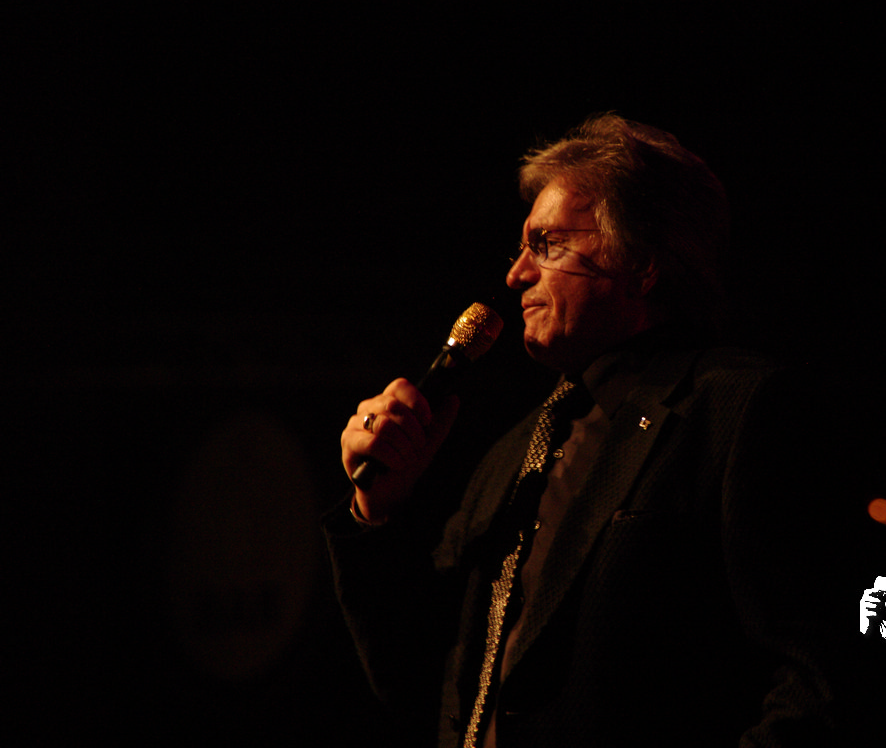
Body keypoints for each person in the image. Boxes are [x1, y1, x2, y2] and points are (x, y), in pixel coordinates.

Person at [325, 114, 842, 747]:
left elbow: (821, 677)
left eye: (546, 244)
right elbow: (423, 685)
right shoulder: (514, 454)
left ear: (641, 263)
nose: (516, 275)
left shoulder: (740, 410)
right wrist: (378, 510)